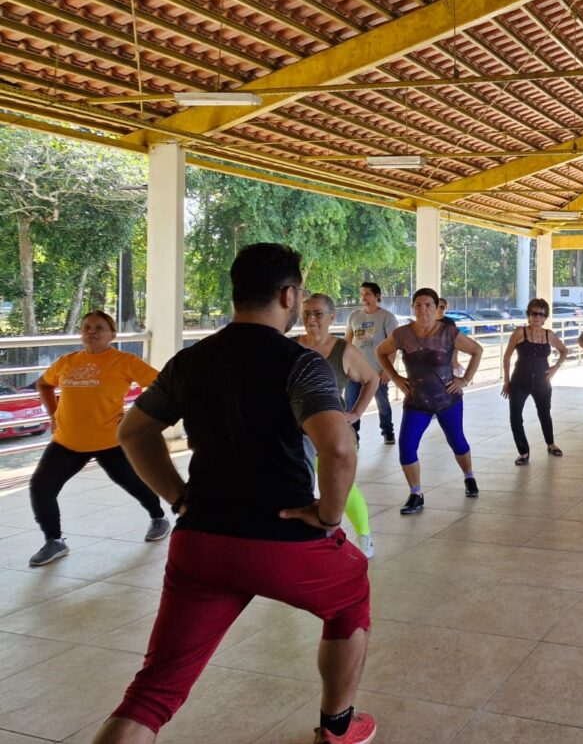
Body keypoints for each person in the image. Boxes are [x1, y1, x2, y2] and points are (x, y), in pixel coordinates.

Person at [93, 243, 374, 744]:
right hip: (284, 541)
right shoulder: (300, 363)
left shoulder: (189, 361)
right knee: (350, 598)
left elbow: (133, 433)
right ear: (288, 295)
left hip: (200, 540)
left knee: (152, 694)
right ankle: (337, 725)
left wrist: (179, 498)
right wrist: (330, 518)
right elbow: (339, 449)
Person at [28, 310, 169, 567]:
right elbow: (44, 384)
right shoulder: (66, 362)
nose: (92, 331)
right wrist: (53, 414)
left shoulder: (124, 361)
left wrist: (142, 418)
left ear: (112, 334)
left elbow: (161, 385)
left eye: (99, 327)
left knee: (133, 483)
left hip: (110, 441)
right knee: (41, 486)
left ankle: (158, 517)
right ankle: (54, 541)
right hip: (67, 441)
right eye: (87, 327)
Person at [376, 288, 483, 514]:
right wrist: (395, 377)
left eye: (428, 306)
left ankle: (469, 476)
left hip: (447, 399)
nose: (423, 310)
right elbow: (380, 352)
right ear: (412, 308)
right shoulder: (402, 334)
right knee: (406, 446)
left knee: (457, 441)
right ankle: (416, 493)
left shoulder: (449, 332)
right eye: (418, 305)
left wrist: (464, 379)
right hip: (417, 401)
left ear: (437, 309)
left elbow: (477, 350)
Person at [298, 293, 379, 559]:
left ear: (332, 318)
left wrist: (355, 412)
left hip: (333, 432)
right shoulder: (290, 348)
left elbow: (371, 379)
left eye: (318, 313)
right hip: (296, 433)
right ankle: (304, 543)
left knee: (341, 487)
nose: (311, 319)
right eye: (307, 313)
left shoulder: (344, 351)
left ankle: (364, 535)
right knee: (299, 488)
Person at [502, 298, 568, 463]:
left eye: (542, 314)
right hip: (519, 382)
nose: (538, 317)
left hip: (542, 382)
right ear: (529, 315)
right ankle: (523, 452)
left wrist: (555, 368)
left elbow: (564, 351)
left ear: (546, 317)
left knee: (544, 414)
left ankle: (550, 444)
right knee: (515, 418)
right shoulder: (519, 333)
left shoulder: (549, 335)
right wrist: (506, 380)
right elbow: (507, 356)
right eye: (535, 313)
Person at [344, 281, 397, 445]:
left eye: (367, 294)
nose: (363, 297)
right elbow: (347, 342)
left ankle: (388, 431)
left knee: (383, 404)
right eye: (361, 294)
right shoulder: (354, 316)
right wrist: (345, 365)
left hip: (377, 371)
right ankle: (354, 437)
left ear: (377, 296)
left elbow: (393, 345)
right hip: (355, 372)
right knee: (350, 405)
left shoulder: (387, 317)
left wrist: (387, 370)